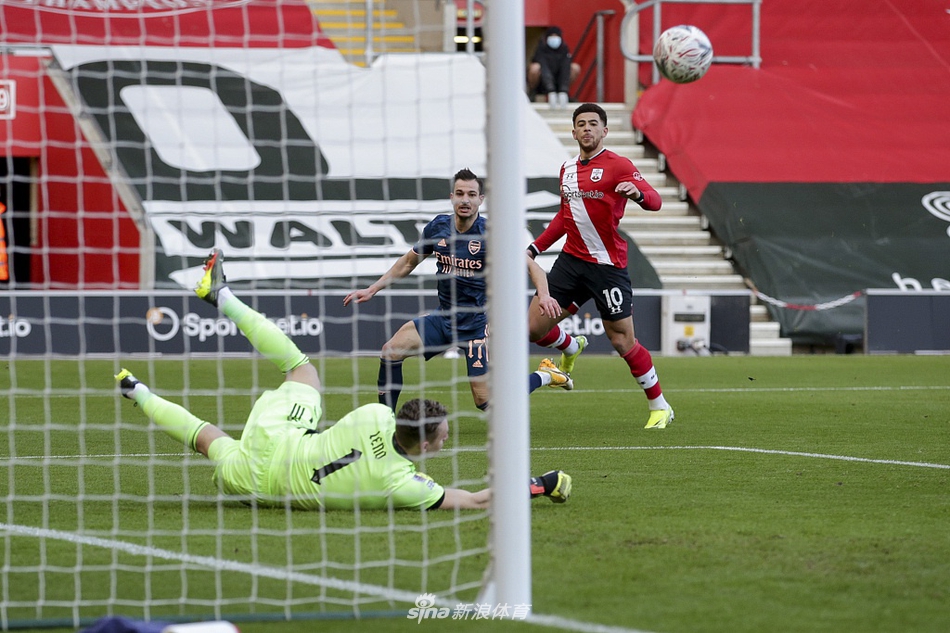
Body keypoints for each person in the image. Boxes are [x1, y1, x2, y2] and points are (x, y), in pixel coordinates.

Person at [114, 249, 572, 511]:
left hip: (276, 438)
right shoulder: (403, 483)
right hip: (255, 483)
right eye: (443, 438)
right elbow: (473, 501)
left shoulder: (374, 414)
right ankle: (139, 391)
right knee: (205, 439)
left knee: (301, 368)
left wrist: (541, 482)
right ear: (428, 446)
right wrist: (536, 486)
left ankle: (221, 299)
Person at [344, 168, 570, 413]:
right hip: (444, 318)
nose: (465, 199)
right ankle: (385, 422)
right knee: (391, 350)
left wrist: (544, 295)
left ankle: (545, 375)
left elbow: (533, 268)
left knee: (486, 402)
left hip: (476, 326)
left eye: (471, 194)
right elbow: (409, 261)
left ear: (480, 200)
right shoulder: (438, 228)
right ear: (452, 197)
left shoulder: (491, 234)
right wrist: (373, 288)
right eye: (460, 193)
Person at [527, 103, 675, 429]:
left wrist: (636, 193)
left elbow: (655, 200)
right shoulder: (566, 169)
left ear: (604, 131)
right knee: (533, 328)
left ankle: (659, 405)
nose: (587, 129)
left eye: (593, 124)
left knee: (622, 341)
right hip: (571, 261)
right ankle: (570, 346)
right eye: (581, 124)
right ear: (574, 132)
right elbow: (565, 218)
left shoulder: (618, 165)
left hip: (607, 266)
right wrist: (536, 247)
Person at [527, 26, 581, 109]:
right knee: (535, 67)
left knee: (575, 67)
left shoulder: (564, 50)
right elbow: (544, 69)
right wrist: (550, 89)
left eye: (556, 36)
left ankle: (562, 95)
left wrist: (563, 90)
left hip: (559, 80)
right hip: (542, 83)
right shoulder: (541, 50)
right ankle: (534, 94)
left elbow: (565, 68)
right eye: (551, 36)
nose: (554, 39)